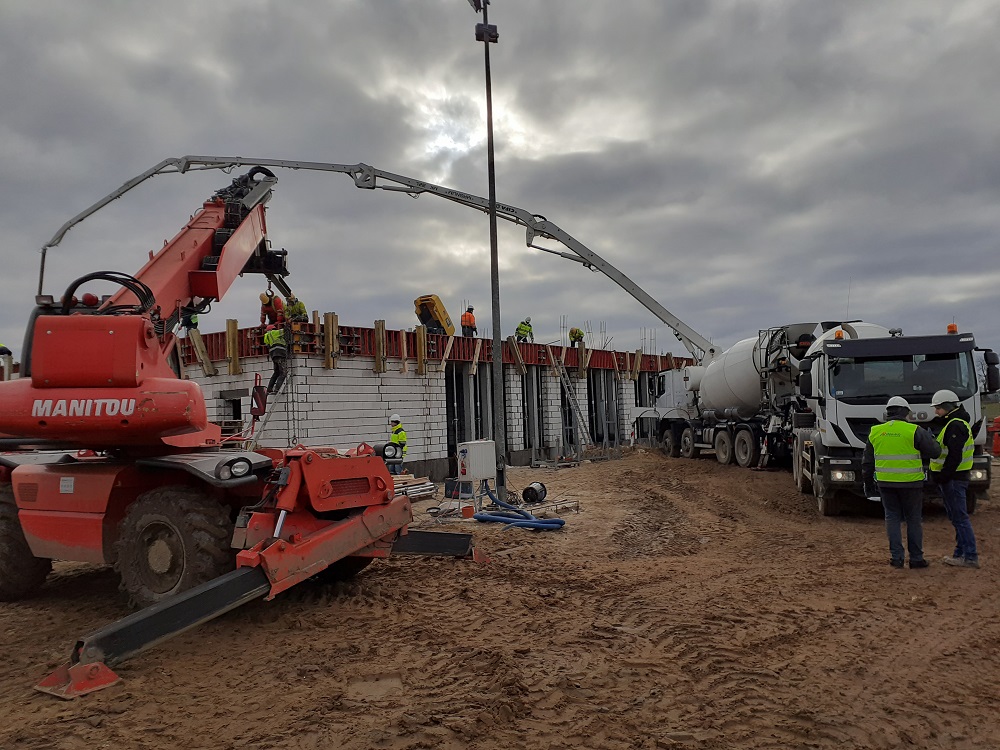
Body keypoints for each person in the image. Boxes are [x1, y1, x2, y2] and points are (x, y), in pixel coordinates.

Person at [862, 396, 941, 570]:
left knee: (892, 518)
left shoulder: (875, 431)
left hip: (885, 484)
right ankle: (916, 559)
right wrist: (930, 438)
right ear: (906, 412)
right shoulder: (914, 430)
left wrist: (868, 484)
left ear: (888, 413)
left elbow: (867, 463)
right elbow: (935, 452)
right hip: (911, 484)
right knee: (913, 519)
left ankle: (896, 558)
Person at [929, 389, 979, 568]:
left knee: (960, 518)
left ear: (946, 406)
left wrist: (943, 476)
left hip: (953, 479)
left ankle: (970, 556)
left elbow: (954, 456)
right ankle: (960, 553)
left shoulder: (955, 425)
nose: (936, 412)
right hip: (955, 478)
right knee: (957, 517)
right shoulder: (957, 423)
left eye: (938, 408)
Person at [263, 324, 288, 395]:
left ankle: (269, 389)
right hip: (280, 354)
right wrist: (288, 325)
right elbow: (284, 331)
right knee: (283, 373)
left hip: (274, 356)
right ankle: (277, 389)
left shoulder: (266, 336)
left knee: (276, 373)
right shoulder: (274, 332)